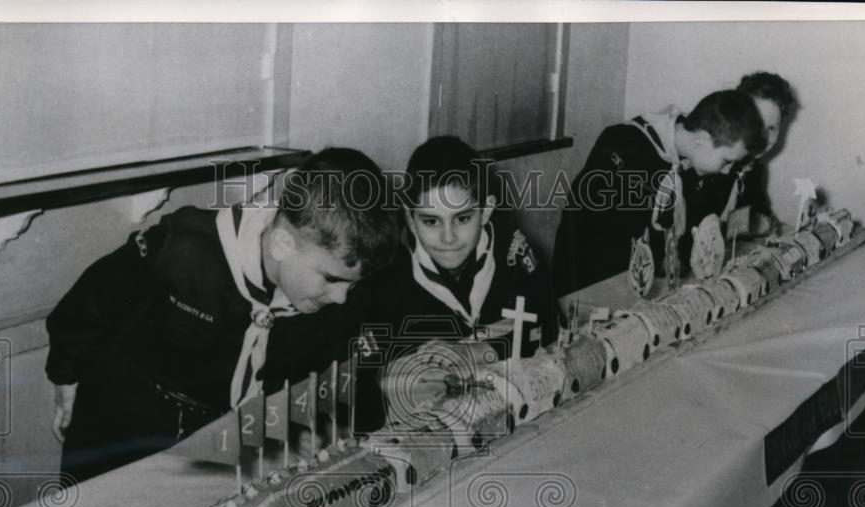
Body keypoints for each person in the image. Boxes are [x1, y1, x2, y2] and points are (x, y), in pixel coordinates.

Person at [46, 148, 399, 484]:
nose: (341, 298)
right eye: (332, 279)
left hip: (213, 441)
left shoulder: (338, 298)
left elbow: (350, 380)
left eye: (351, 286)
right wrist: (65, 376)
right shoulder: (183, 248)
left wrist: (324, 431)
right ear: (282, 245)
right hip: (122, 418)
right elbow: (91, 300)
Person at [552, 90, 768, 295]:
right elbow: (594, 240)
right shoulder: (624, 145)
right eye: (727, 161)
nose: (727, 171)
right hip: (590, 282)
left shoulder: (693, 159)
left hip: (646, 283)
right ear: (702, 137)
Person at [372, 135, 560, 352]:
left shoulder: (511, 249)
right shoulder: (388, 275)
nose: (448, 237)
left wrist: (482, 352)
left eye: (462, 218)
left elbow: (550, 326)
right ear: (410, 220)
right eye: (431, 221)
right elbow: (373, 372)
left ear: (486, 211)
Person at [692, 72, 797, 237]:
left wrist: (762, 222)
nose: (762, 138)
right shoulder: (707, 157)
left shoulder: (755, 166)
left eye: (771, 128)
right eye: (756, 124)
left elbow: (758, 212)